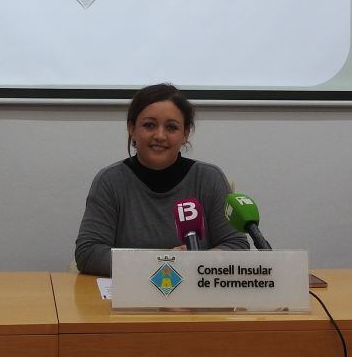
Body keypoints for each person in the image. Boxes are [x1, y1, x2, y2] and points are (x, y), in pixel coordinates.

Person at [74, 83, 249, 276]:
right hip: (131, 292)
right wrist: (164, 261)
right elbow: (88, 253)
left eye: (171, 127)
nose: (159, 136)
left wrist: (196, 262)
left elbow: (237, 247)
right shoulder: (110, 181)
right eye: (149, 125)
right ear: (132, 129)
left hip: (194, 290)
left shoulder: (209, 179)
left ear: (185, 134)